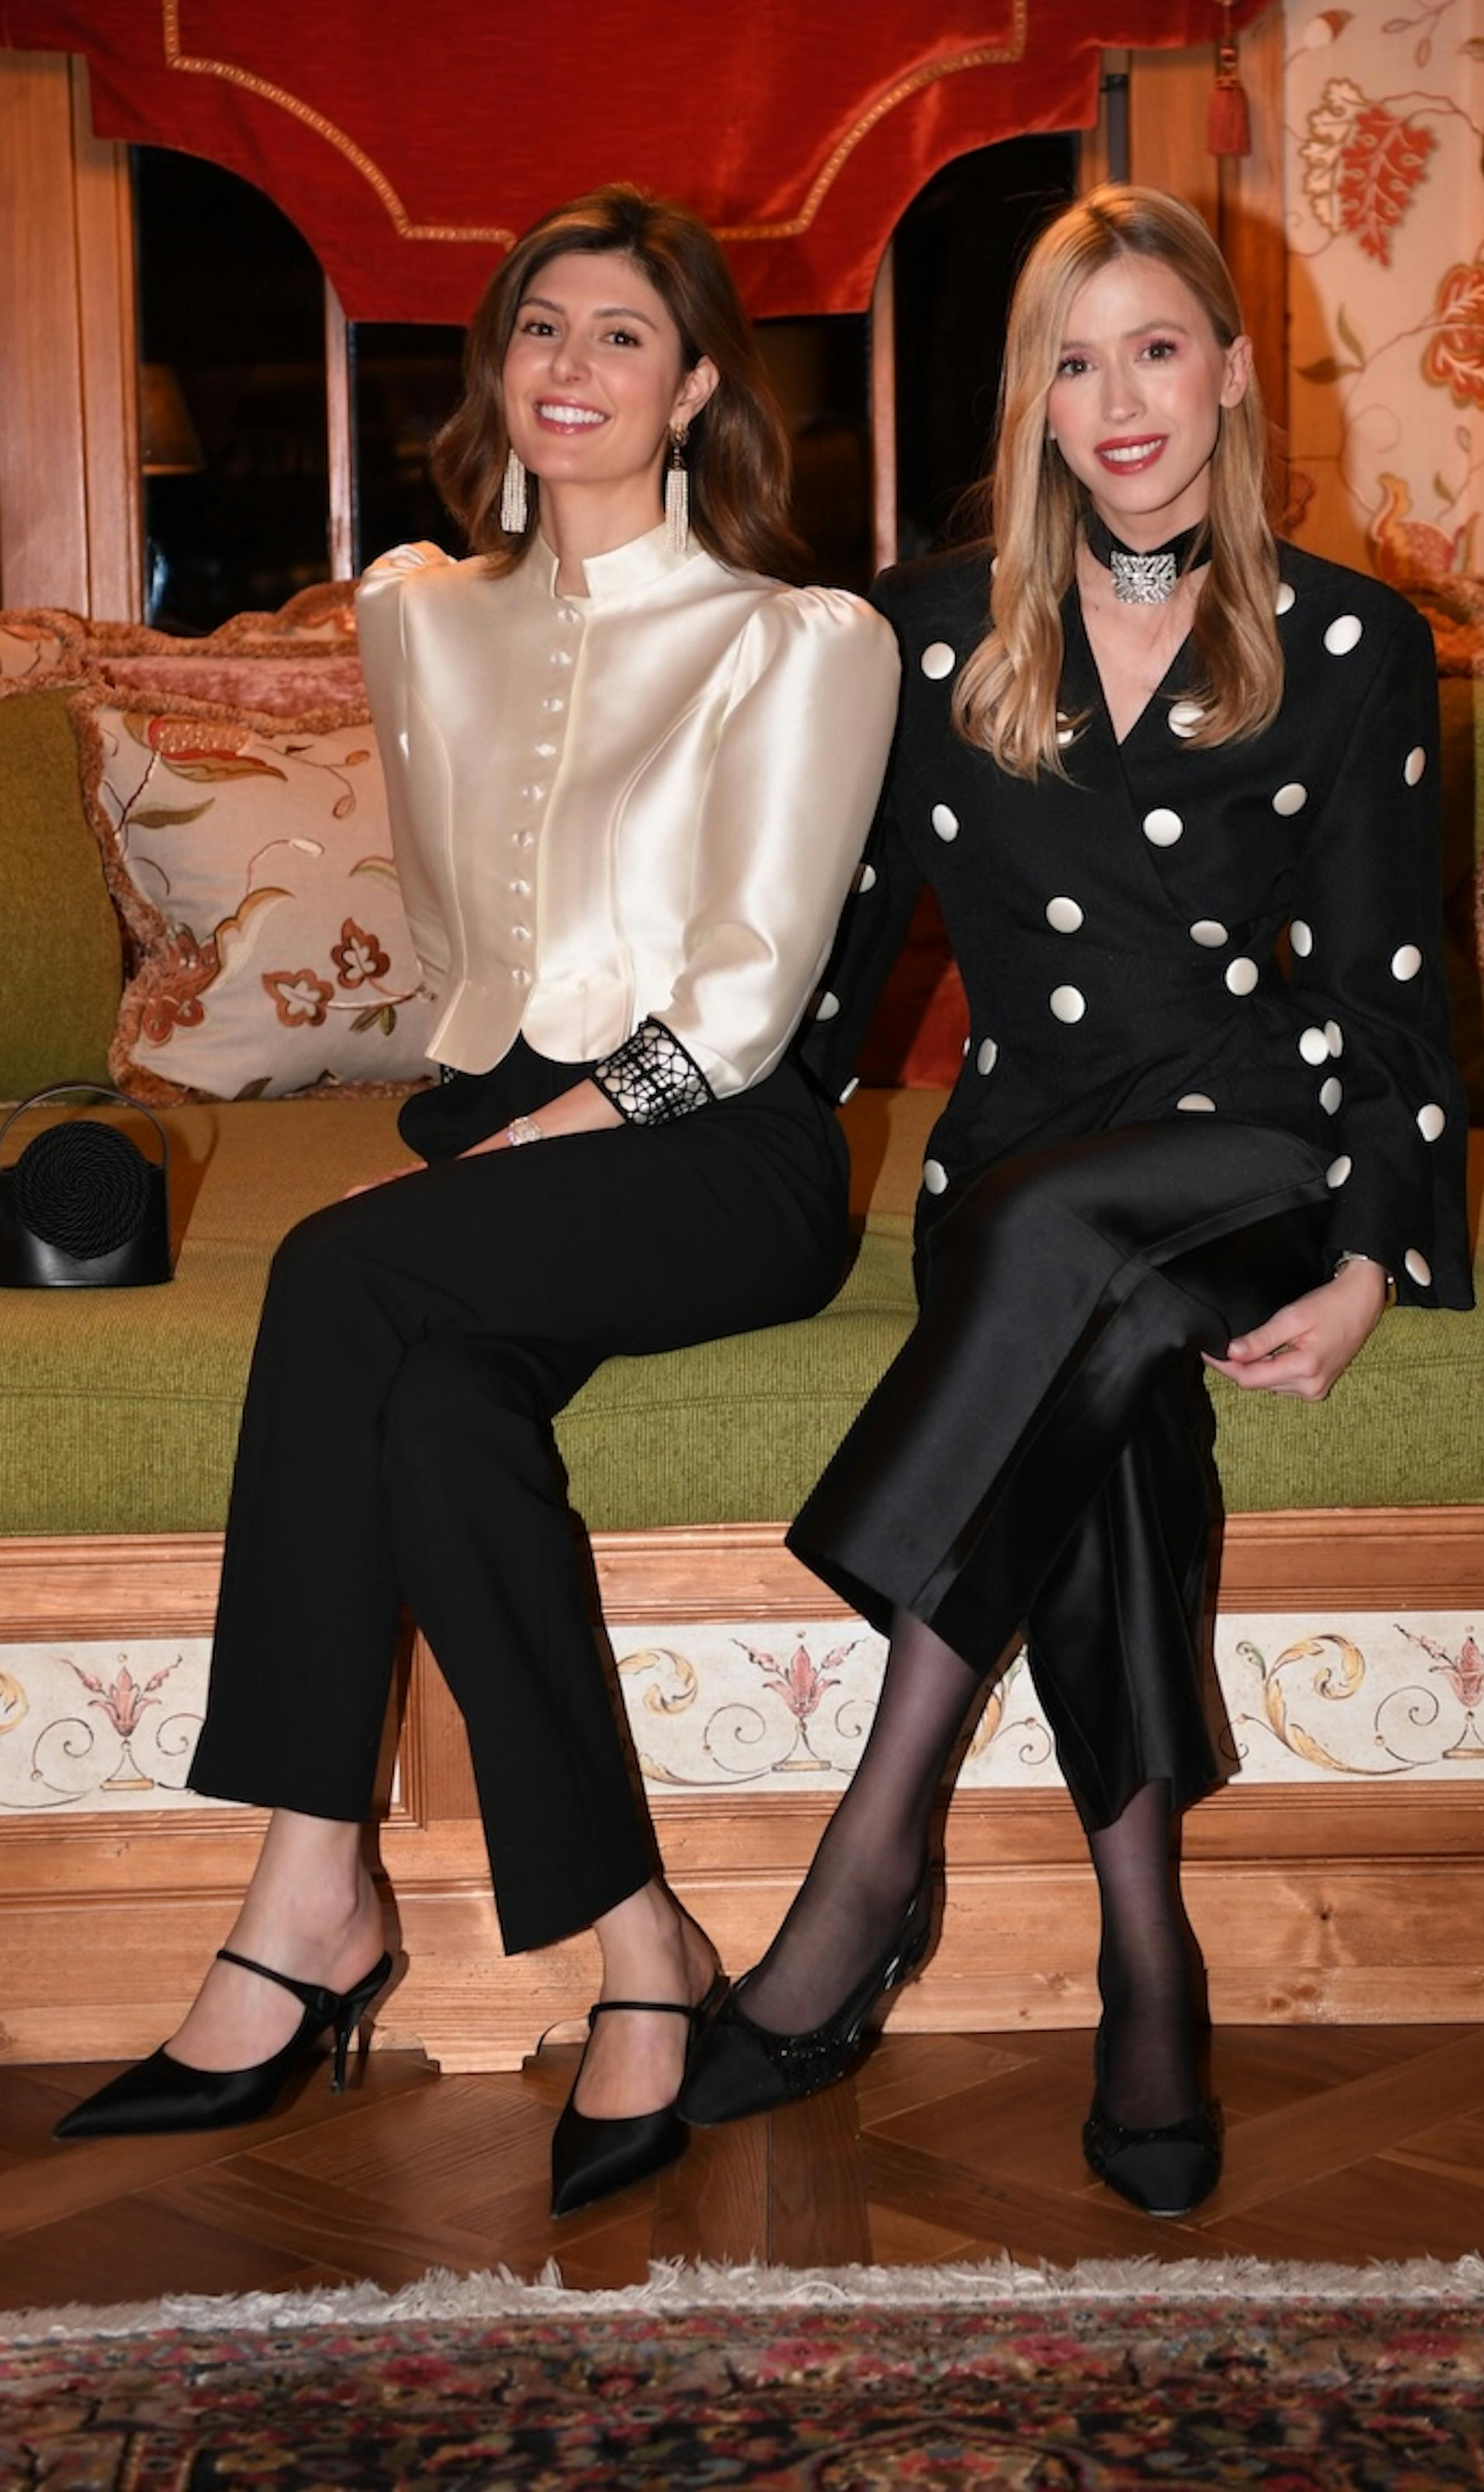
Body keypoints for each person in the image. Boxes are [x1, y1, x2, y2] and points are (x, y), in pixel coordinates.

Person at [57, 187, 898, 2217]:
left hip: (723, 1143)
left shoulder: (801, 639)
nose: (570, 366)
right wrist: (491, 1121)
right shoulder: (420, 611)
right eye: (540, 325)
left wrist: (531, 1144)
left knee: (338, 1276)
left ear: (695, 391)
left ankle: (307, 1898)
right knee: (435, 1410)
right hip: (515, 1118)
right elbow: (458, 945)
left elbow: (748, 1007)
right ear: (497, 368)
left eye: (623, 335)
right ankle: (641, 1943)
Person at [681, 185, 1472, 2215]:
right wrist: (670, 1134)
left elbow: (1391, 990)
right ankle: (1149, 1955)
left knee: (1063, 1268)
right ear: (1031, 398)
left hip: (1251, 1152)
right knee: (1091, 1351)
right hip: (1023, 1157)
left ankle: (870, 1859)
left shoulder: (1355, 640)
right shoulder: (925, 633)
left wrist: (1370, 1258)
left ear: (1230, 373)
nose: (1119, 401)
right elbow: (827, 953)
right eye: (1073, 358)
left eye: (1156, 349)